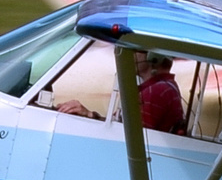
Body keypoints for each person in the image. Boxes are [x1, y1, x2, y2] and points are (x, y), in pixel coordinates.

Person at [55, 51, 185, 133]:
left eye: (135, 49)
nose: (130, 55)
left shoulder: (156, 91)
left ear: (153, 57)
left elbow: (133, 138)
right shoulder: (161, 88)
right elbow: (121, 126)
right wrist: (89, 114)